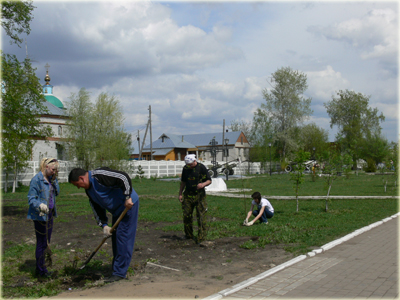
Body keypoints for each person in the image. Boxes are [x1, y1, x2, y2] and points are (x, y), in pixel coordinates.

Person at [68, 167, 139, 283]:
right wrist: (104, 225)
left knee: (123, 237)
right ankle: (117, 269)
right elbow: (97, 208)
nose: (78, 187)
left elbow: (123, 177)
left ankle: (119, 273)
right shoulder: (89, 191)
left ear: (82, 178)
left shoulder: (99, 175)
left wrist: (127, 197)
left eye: (77, 184)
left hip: (128, 206)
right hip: (117, 211)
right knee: (116, 239)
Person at [27, 157, 60, 278]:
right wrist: (40, 205)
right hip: (40, 215)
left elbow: (57, 192)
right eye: (53, 170)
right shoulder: (37, 180)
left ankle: (42, 267)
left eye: (56, 170)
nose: (54, 172)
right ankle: (41, 271)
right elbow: (31, 198)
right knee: (41, 242)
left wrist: (55, 180)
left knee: (46, 242)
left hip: (50, 214)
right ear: (46, 167)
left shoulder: (51, 179)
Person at [179, 154, 212, 243]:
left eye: (191, 164)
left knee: (201, 216)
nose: (189, 166)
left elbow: (209, 180)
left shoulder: (201, 167)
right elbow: (183, 182)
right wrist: (180, 193)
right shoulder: (185, 169)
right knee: (187, 215)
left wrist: (203, 184)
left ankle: (201, 238)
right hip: (188, 195)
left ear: (194, 161)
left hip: (199, 195)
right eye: (188, 165)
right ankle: (188, 235)